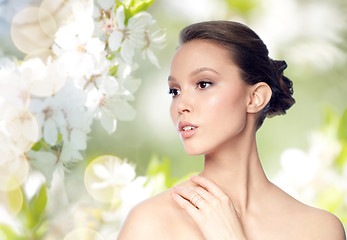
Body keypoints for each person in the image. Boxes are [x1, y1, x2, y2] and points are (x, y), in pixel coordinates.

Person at [117, 21, 346, 239]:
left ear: (255, 97)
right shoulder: (150, 222)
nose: (181, 105)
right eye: (174, 91)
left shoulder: (319, 230)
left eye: (203, 84)